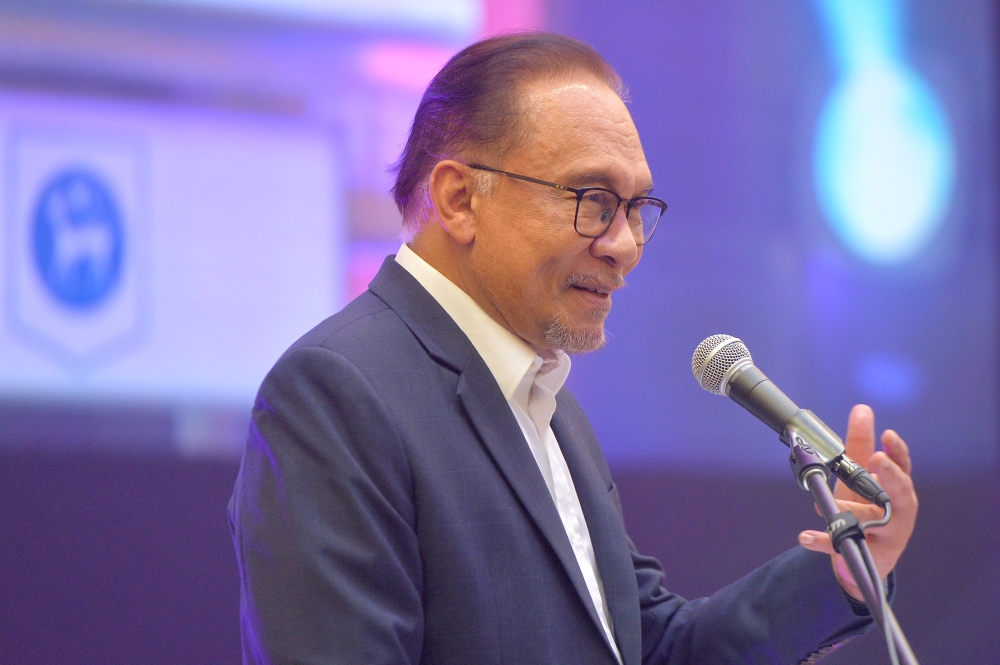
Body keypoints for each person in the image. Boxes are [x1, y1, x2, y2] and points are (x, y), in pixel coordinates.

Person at [228, 32, 918, 665]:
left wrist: (840, 573)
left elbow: (651, 648)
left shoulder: (547, 406)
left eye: (636, 208)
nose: (624, 246)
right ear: (460, 199)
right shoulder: (339, 392)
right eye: (593, 199)